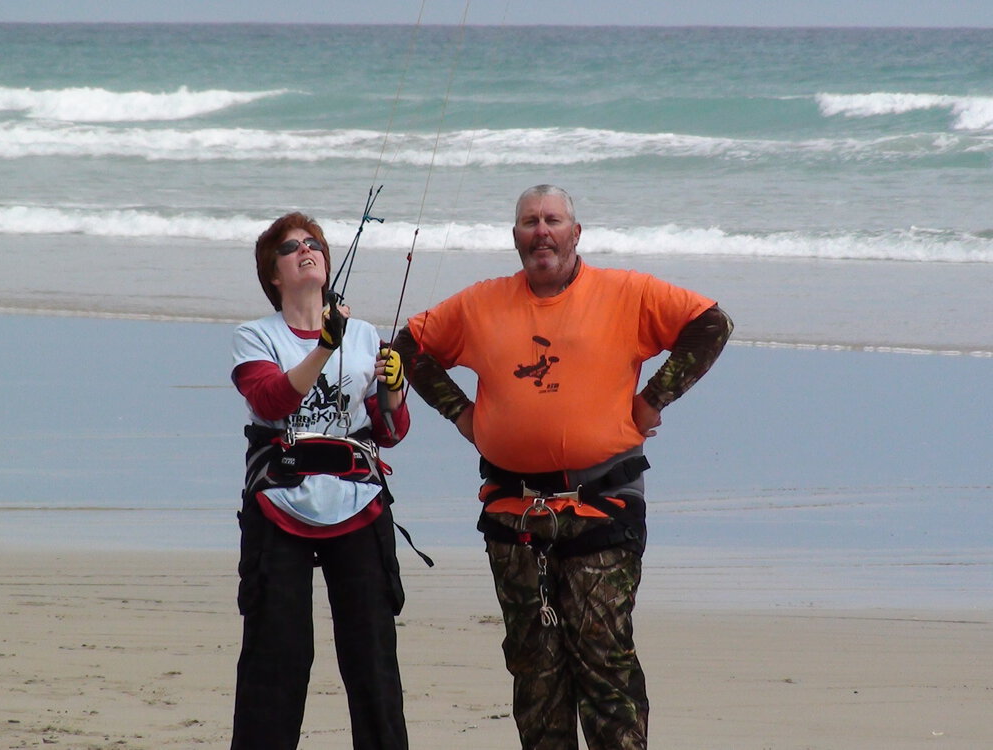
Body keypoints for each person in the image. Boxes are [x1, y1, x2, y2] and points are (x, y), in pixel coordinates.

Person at [391, 185, 732, 750]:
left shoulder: (626, 292)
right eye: (529, 222)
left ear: (576, 233)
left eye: (553, 220)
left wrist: (654, 399)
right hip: (513, 514)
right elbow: (407, 349)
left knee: (604, 667)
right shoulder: (480, 303)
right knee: (536, 674)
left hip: (603, 507)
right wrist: (460, 413)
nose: (541, 231)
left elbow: (712, 324)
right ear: (515, 237)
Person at [230, 211, 411, 750]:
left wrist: (394, 389)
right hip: (280, 504)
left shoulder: (365, 335)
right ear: (274, 275)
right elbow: (270, 400)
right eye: (291, 248)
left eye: (313, 244)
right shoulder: (254, 336)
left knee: (372, 656)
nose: (305, 250)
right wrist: (325, 347)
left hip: (359, 503)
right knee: (277, 656)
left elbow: (390, 431)